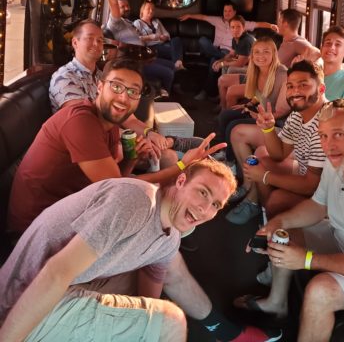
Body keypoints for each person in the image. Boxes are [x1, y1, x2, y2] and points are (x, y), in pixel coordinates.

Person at [0, 158, 281, 342]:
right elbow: (55, 272)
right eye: (203, 192)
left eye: (216, 205)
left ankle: (224, 331)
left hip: (59, 288)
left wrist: (143, 325)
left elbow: (167, 284)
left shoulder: (169, 235)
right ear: (181, 181)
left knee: (145, 289)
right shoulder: (137, 201)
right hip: (22, 303)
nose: (204, 209)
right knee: (171, 321)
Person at [234, 98, 344, 342]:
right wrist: (277, 224)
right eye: (323, 135)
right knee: (285, 233)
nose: (328, 145)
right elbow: (317, 205)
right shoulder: (339, 157)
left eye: (339, 134)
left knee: (320, 291)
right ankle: (277, 303)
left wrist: (307, 259)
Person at [8, 58, 210, 234]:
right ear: (99, 86)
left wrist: (131, 160)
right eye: (116, 86)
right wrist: (182, 165)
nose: (123, 97)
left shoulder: (110, 124)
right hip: (36, 228)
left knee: (158, 213)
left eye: (133, 92)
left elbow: (115, 181)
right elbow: (117, 188)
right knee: (156, 220)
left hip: (74, 207)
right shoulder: (80, 121)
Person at [49, 19, 201, 169]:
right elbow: (85, 124)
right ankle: (172, 144)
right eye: (90, 38)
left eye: (100, 40)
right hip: (85, 148)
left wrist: (149, 133)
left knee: (162, 151)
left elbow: (128, 118)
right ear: (75, 42)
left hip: (110, 138)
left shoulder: (101, 75)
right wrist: (133, 140)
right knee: (167, 157)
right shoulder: (65, 78)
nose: (96, 44)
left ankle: (169, 144)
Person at [226, 60, 326, 225]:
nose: (295, 91)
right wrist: (268, 129)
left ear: (321, 89)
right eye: (290, 86)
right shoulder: (297, 116)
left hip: (328, 194)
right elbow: (278, 155)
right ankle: (267, 217)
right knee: (261, 161)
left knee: (276, 199)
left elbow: (311, 185)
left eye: (303, 85)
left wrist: (265, 177)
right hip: (306, 172)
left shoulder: (325, 125)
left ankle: (271, 219)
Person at [217, 37, 290, 173]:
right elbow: (260, 95)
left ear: (274, 54)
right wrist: (249, 105)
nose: (260, 56)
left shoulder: (282, 74)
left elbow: (282, 111)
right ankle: (225, 152)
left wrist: (261, 117)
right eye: (257, 52)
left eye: (266, 52)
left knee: (233, 125)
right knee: (225, 115)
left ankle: (231, 165)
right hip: (261, 113)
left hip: (276, 121)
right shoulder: (256, 71)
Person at [103, 0, 175, 95]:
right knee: (168, 73)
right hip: (134, 62)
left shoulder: (128, 22)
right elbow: (113, 3)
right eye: (123, 7)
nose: (127, 8)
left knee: (172, 66)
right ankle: (166, 97)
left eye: (127, 5)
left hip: (144, 57)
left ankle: (170, 89)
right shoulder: (115, 23)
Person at [180, 0, 278, 61]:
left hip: (226, 51)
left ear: (234, 12)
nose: (227, 13)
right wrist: (189, 15)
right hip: (213, 48)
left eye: (229, 11)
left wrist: (271, 26)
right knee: (202, 40)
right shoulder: (217, 20)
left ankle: (209, 86)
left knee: (214, 60)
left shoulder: (241, 23)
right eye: (225, 11)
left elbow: (258, 24)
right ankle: (219, 57)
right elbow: (203, 17)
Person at [196, 15, 256, 101]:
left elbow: (240, 63)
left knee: (229, 68)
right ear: (230, 28)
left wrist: (222, 64)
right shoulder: (235, 39)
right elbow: (231, 54)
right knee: (223, 65)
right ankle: (223, 96)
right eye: (233, 27)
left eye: (238, 27)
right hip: (247, 64)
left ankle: (225, 98)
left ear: (244, 28)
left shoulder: (246, 41)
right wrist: (220, 61)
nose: (235, 30)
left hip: (255, 69)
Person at [134, 0, 185, 70]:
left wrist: (165, 37)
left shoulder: (156, 21)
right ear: (142, 10)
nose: (151, 11)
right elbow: (135, 39)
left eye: (152, 9)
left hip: (163, 44)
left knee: (176, 39)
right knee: (177, 50)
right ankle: (178, 64)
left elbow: (167, 34)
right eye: (148, 9)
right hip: (151, 48)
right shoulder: (138, 23)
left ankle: (178, 64)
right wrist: (150, 37)